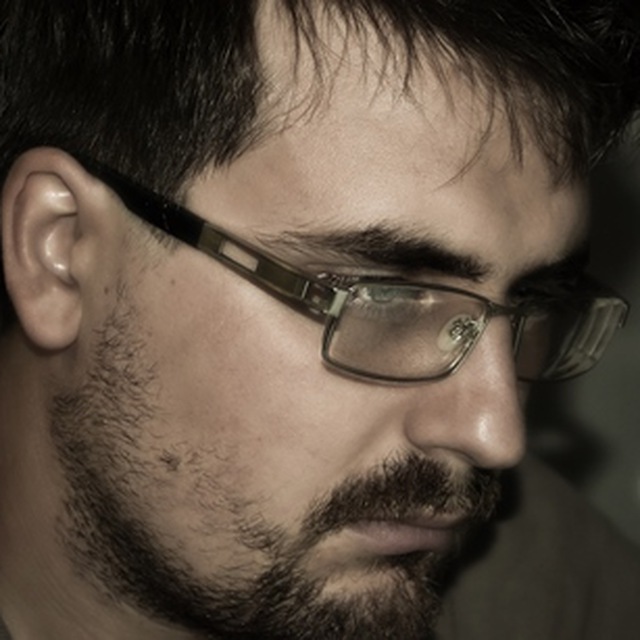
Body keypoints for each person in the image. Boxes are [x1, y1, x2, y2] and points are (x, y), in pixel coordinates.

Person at [0, 1, 638, 638]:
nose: (495, 435)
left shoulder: (554, 587)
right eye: (386, 300)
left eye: (531, 305)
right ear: (60, 252)